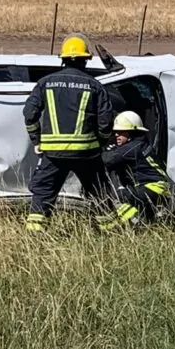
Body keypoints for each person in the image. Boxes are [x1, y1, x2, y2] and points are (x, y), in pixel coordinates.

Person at [22, 35, 114, 231]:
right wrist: (102, 143)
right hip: (87, 153)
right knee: (99, 192)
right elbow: (106, 120)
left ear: (63, 59)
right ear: (86, 59)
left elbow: (29, 113)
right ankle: (109, 233)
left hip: (53, 154)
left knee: (43, 194)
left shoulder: (45, 83)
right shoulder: (95, 86)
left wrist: (36, 139)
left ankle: (34, 236)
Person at [101, 111, 171, 229]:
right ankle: (151, 217)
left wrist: (104, 151)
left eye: (120, 132)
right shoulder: (140, 143)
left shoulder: (133, 147)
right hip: (159, 188)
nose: (116, 135)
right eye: (115, 132)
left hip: (153, 188)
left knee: (118, 195)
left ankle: (133, 221)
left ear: (131, 132)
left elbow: (108, 160)